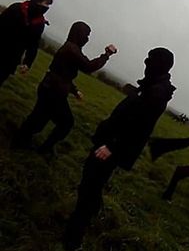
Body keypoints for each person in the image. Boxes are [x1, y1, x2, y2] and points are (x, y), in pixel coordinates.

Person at [62, 47, 176, 251]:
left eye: (150, 59)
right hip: (111, 143)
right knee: (92, 186)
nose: (145, 62)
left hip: (111, 147)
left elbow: (139, 125)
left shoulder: (157, 92)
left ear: (159, 64)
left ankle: (72, 240)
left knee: (89, 187)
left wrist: (112, 146)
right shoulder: (153, 86)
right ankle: (86, 218)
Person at [11, 21, 117, 155]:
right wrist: (106, 54)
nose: (87, 39)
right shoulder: (71, 49)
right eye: (86, 35)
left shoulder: (71, 48)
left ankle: (21, 140)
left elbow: (63, 73)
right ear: (80, 34)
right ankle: (41, 148)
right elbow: (88, 67)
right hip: (53, 92)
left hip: (50, 88)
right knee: (65, 123)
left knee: (38, 119)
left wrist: (74, 90)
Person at [0, 0, 53, 87]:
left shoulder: (39, 24)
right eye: (46, 3)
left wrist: (27, 62)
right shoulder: (16, 8)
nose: (47, 7)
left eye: (48, 5)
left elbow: (33, 44)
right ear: (37, 1)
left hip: (11, 59)